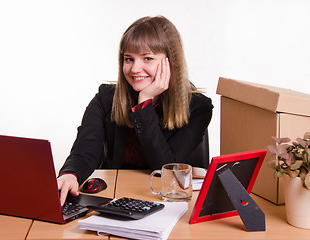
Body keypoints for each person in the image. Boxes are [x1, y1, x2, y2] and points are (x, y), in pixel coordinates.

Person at [57, 16, 213, 205]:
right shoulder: (106, 98)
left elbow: (165, 168)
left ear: (171, 62)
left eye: (147, 58)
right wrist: (70, 174)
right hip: (116, 196)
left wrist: (144, 104)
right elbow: (85, 149)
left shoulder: (197, 107)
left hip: (167, 200)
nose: (134, 69)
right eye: (128, 59)